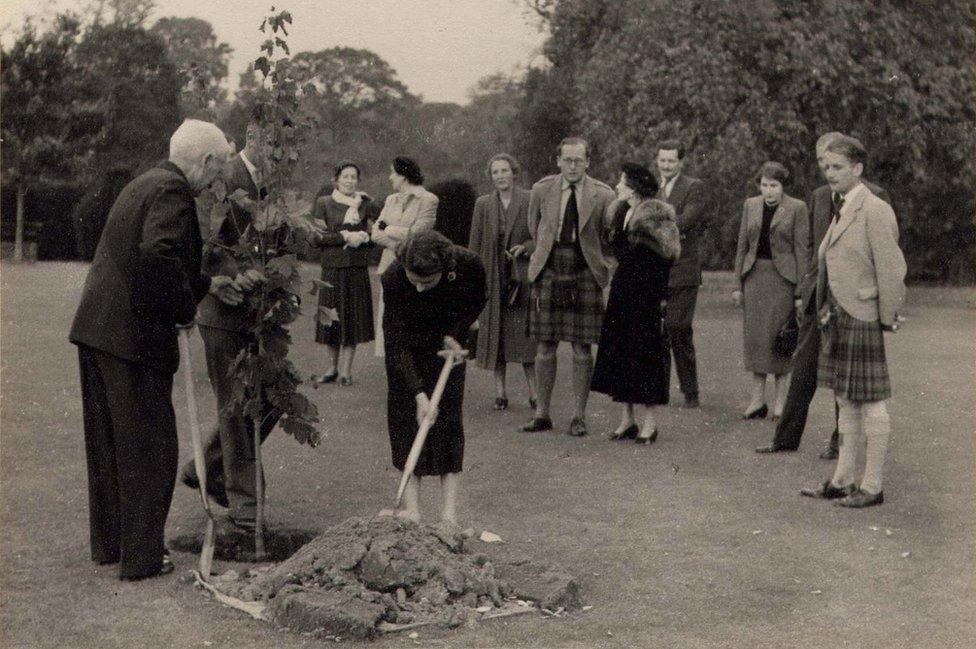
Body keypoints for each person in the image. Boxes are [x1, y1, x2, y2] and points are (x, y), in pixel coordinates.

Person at [69, 119, 236, 580]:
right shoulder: (175, 192)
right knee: (151, 446)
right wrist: (185, 307)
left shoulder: (144, 183)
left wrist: (204, 284)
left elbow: (150, 256)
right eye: (218, 168)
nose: (216, 180)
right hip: (133, 337)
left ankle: (113, 547)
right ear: (204, 162)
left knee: (110, 444)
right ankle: (142, 559)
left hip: (99, 329)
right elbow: (158, 255)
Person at [179, 106, 282, 532]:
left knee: (275, 398)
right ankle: (245, 508)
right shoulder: (221, 180)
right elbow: (201, 243)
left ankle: (201, 467)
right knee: (237, 406)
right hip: (222, 310)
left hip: (260, 314)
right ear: (254, 136)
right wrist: (230, 277)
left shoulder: (273, 186)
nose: (279, 153)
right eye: (274, 143)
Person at [756, 133, 892, 455]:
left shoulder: (875, 197)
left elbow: (884, 256)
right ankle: (785, 439)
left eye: (832, 163)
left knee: (842, 376)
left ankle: (839, 443)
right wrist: (806, 291)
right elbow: (812, 249)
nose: (826, 170)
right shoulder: (818, 197)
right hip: (818, 296)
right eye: (821, 162)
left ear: (853, 166)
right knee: (803, 366)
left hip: (851, 300)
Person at [801, 135, 906, 508]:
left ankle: (873, 486)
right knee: (845, 400)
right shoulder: (841, 205)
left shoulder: (874, 209)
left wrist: (887, 316)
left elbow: (891, 269)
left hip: (861, 315)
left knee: (872, 402)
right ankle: (843, 479)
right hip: (838, 316)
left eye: (838, 167)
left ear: (857, 169)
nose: (830, 173)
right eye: (826, 167)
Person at [382, 230, 487, 523]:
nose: (418, 288)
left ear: (444, 269)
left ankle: (449, 516)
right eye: (413, 280)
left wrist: (456, 333)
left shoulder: (469, 265)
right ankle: (412, 511)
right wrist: (418, 394)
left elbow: (479, 298)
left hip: (447, 351)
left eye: (426, 282)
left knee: (448, 423)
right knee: (406, 423)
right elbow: (395, 342)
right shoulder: (392, 278)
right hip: (407, 348)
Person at [519, 136, 616, 437]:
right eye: (567, 160)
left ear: (588, 162)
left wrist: (599, 264)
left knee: (581, 347)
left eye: (579, 160)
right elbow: (535, 227)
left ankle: (578, 416)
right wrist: (543, 256)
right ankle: (542, 414)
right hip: (549, 266)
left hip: (585, 268)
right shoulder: (541, 189)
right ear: (558, 160)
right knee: (545, 344)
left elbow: (607, 236)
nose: (573, 166)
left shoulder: (604, 194)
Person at [592, 163, 680, 444]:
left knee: (645, 355)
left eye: (622, 182)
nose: (618, 186)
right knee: (620, 352)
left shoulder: (656, 218)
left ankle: (650, 423)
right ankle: (627, 419)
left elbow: (664, 260)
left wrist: (657, 296)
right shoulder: (621, 212)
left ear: (634, 188)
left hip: (645, 294)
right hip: (623, 291)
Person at [732, 162, 810, 419]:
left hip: (782, 281)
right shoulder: (750, 205)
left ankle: (780, 403)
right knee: (756, 341)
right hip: (755, 277)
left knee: (780, 341)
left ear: (783, 186)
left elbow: (801, 251)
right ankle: (756, 401)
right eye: (764, 185)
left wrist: (800, 292)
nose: (768, 191)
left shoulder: (797, 208)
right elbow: (742, 247)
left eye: (774, 185)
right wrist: (737, 285)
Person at [468, 154, 537, 410]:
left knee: (525, 340)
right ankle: (500, 393)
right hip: (492, 280)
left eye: (504, 171)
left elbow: (540, 236)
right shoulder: (483, 204)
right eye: (495, 172)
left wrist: (527, 247)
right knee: (496, 338)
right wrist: (473, 280)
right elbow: (473, 246)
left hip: (520, 280)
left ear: (514, 173)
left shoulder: (529, 199)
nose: (500, 176)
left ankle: (534, 393)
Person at [310, 161, 376, 386]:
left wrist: (365, 239)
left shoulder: (365, 204)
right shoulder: (324, 203)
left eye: (353, 177)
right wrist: (344, 237)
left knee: (352, 318)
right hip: (332, 269)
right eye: (345, 176)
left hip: (356, 270)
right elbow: (316, 238)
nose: (349, 180)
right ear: (336, 180)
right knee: (331, 317)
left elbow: (377, 231)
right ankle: (332, 368)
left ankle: (346, 372)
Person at [656, 140, 708, 408]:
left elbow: (687, 220)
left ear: (681, 162)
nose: (666, 165)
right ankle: (659, 390)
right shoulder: (652, 188)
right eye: (662, 160)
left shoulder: (693, 187)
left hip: (684, 270)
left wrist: (654, 222)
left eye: (671, 161)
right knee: (658, 333)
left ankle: (691, 391)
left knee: (678, 328)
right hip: (656, 270)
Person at [371, 156, 438, 356]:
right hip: (389, 266)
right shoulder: (391, 200)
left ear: (404, 175)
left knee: (412, 320)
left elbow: (418, 233)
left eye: (393, 172)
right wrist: (398, 238)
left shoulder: (428, 199)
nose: (390, 177)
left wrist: (389, 229)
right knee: (389, 321)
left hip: (414, 267)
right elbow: (375, 233)